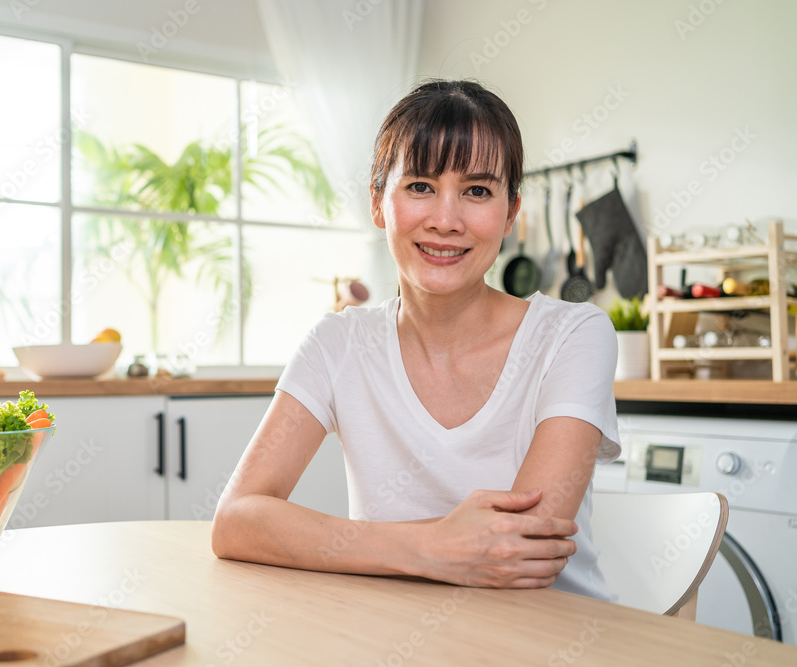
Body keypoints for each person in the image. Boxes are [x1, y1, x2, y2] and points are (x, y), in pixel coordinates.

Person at [211, 79, 621, 600]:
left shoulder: (573, 335)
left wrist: (355, 545)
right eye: (421, 186)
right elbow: (236, 520)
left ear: (511, 213)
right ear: (379, 204)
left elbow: (522, 547)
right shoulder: (338, 343)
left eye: (477, 191)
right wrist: (430, 547)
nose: (446, 221)